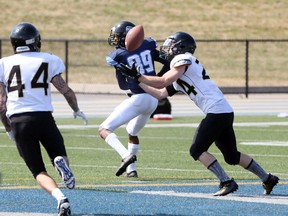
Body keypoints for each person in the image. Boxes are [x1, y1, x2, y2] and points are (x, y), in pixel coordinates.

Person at [118, 31, 279, 196]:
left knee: (197, 150)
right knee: (231, 156)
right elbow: (159, 93)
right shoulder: (182, 72)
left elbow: (163, 81)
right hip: (223, 111)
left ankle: (226, 182)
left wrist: (139, 75)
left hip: (217, 111)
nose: (166, 48)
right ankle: (268, 179)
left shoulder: (184, 59)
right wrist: (137, 80)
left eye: (170, 45)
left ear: (181, 47)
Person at [0, 22, 88, 216]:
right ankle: (59, 161)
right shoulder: (49, 59)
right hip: (44, 118)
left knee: (38, 171)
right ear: (35, 41)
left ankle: (60, 198)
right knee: (59, 156)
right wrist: (76, 109)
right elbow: (65, 90)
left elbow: (1, 104)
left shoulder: (4, 63)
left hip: (19, 121)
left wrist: (8, 128)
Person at [99, 20, 170, 177]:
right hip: (153, 101)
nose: (115, 40)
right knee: (132, 132)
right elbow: (168, 61)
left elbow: (123, 86)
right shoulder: (147, 45)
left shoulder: (118, 55)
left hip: (139, 98)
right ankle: (132, 171)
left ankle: (126, 156)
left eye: (118, 37)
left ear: (127, 37)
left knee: (104, 130)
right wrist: (158, 78)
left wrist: (127, 75)